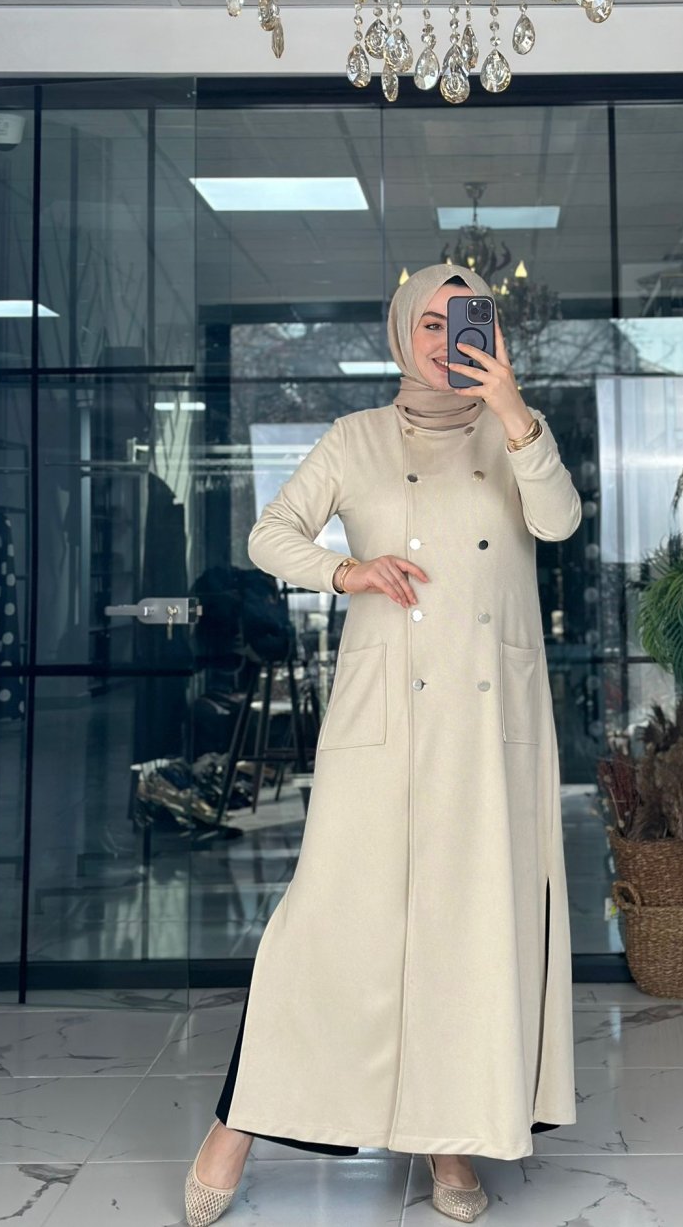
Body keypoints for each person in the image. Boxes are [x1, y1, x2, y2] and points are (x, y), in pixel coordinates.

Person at [184, 263, 581, 1226]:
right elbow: (269, 533)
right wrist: (345, 570)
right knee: (327, 924)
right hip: (383, 719)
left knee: (465, 929)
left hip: (486, 732)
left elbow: (558, 520)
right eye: (430, 323)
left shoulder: (516, 433)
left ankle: (451, 1139)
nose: (447, 339)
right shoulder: (355, 438)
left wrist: (513, 408)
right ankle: (236, 1123)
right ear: (403, 334)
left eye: (464, 320)